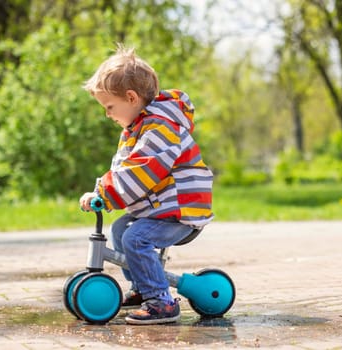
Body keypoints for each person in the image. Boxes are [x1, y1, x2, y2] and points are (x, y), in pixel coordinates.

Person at [79, 44, 214, 325]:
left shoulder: (160, 129)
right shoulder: (136, 129)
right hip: (162, 207)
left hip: (181, 210)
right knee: (121, 228)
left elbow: (141, 170)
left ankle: (161, 301)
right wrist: (100, 191)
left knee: (135, 238)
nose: (107, 114)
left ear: (130, 97)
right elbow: (123, 167)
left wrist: (104, 193)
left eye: (109, 107)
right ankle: (142, 287)